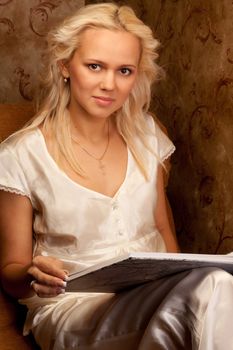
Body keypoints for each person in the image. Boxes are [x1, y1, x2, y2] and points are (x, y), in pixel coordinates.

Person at [0, 2, 233, 349]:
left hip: (155, 293)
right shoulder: (20, 154)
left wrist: (183, 278)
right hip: (73, 307)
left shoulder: (147, 133)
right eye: (95, 66)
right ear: (65, 66)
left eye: (124, 71)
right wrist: (33, 274)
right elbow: (11, 270)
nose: (109, 84)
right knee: (212, 289)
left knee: (212, 286)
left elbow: (163, 227)